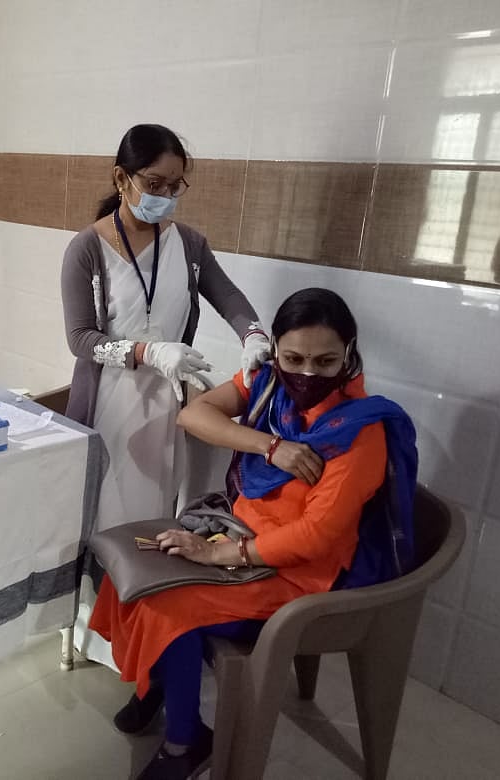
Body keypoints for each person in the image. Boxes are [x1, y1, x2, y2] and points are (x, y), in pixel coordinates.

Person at [88, 287, 417, 780]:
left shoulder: (361, 430)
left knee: (165, 607)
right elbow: (193, 415)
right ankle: (159, 683)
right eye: (294, 358)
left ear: (350, 353)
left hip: (298, 573)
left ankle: (186, 742)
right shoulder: (268, 387)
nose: (308, 374)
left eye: (326, 361)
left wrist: (217, 556)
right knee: (127, 575)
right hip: (241, 534)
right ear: (275, 351)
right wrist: (271, 446)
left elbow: (314, 538)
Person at [61, 124, 270, 664]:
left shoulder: (190, 246)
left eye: (177, 185)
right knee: (110, 517)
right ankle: (103, 634)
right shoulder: (86, 249)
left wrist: (253, 335)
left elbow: (230, 297)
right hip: (111, 403)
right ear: (122, 178)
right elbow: (80, 338)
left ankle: (156, 635)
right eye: (155, 182)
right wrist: (146, 353)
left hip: (174, 403)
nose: (165, 196)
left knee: (167, 516)